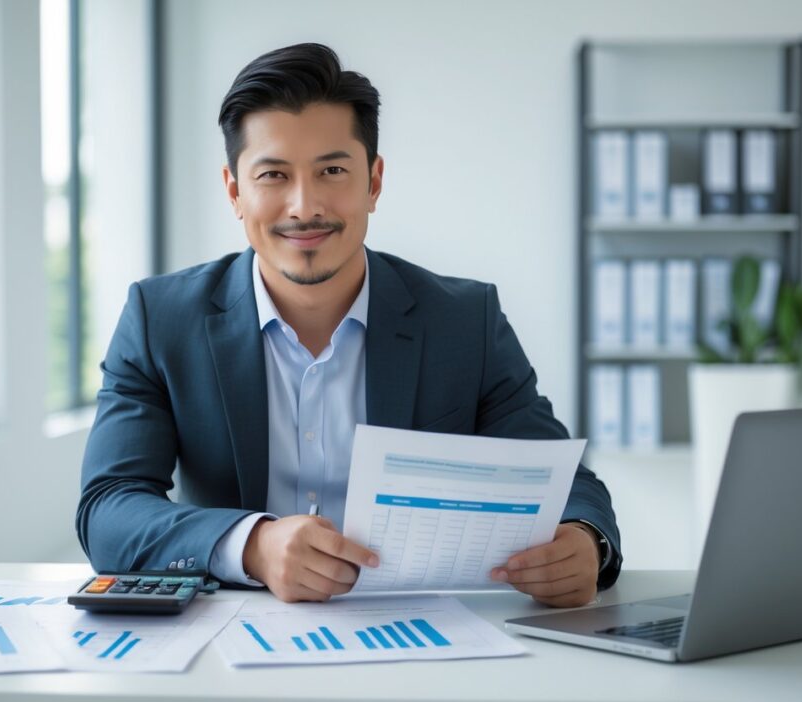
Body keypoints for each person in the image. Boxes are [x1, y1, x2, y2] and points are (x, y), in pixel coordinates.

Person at [77, 42, 621, 607]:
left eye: (332, 170)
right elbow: (109, 507)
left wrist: (584, 541)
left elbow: (564, 482)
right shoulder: (160, 319)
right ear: (235, 191)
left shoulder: (465, 321)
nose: (304, 206)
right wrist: (254, 545)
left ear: (374, 182)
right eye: (273, 175)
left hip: (423, 636)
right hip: (235, 635)